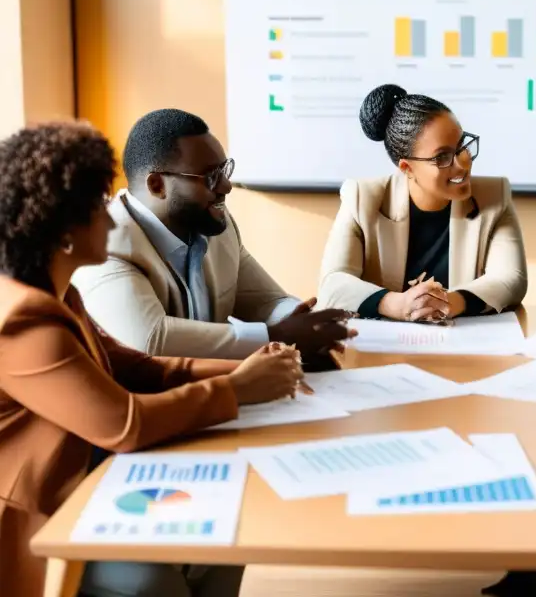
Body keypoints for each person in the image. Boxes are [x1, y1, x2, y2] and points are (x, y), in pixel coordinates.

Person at [0, 123, 307, 597]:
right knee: (152, 581)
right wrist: (240, 388)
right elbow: (125, 425)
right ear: (62, 232)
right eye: (96, 207)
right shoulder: (24, 324)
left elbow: (139, 367)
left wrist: (254, 369)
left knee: (231, 537)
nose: (110, 216)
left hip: (95, 479)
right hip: (43, 512)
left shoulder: (61, 294)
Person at [73, 109, 351, 368]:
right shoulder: (104, 245)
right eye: (210, 177)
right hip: (148, 407)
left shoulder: (215, 223)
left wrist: (301, 322)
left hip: (219, 396)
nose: (226, 186)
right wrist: (274, 335)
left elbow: (265, 301)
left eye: (225, 170)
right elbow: (149, 340)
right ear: (157, 185)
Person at [318, 84, 528, 321]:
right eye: (442, 157)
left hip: (460, 345)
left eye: (462, 147)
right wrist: (398, 304)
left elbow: (511, 279)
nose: (462, 163)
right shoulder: (363, 197)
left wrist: (447, 303)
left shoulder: (493, 195)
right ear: (407, 168)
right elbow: (332, 284)